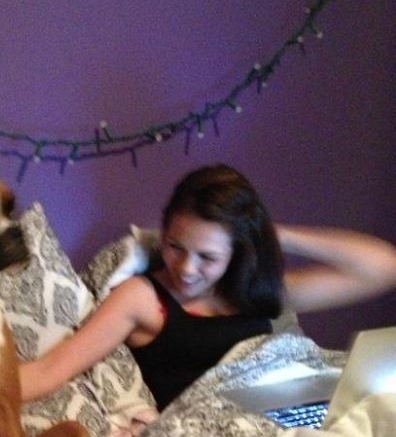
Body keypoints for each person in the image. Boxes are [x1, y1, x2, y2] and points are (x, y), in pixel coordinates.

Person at [20, 164, 396, 410]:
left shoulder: (252, 292)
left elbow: (382, 269)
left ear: (237, 253)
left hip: (290, 414)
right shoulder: (142, 298)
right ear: (163, 233)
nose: (186, 268)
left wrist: (275, 234)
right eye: (175, 246)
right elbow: (51, 369)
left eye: (208, 257)